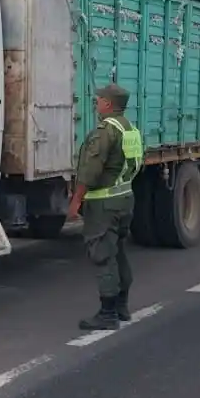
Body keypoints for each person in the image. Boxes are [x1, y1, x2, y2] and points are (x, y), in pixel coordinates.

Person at [66, 82, 144, 331]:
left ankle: (107, 313)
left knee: (103, 256)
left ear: (108, 104)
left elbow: (90, 170)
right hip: (124, 199)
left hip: (103, 203)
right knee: (118, 251)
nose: (95, 103)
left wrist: (76, 199)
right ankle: (122, 306)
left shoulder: (104, 132)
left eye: (98, 100)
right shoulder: (131, 129)